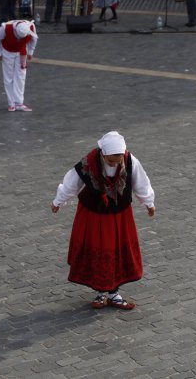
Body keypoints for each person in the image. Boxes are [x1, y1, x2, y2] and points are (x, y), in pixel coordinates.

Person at [51, 131, 155, 310]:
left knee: (116, 252)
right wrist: (58, 201)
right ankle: (100, 292)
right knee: (98, 250)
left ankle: (114, 293)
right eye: (110, 161)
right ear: (103, 154)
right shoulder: (88, 164)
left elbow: (141, 182)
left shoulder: (130, 161)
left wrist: (148, 202)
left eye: (117, 160)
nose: (114, 164)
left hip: (119, 215)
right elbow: (71, 184)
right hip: (94, 215)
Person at [0, 20, 38, 112]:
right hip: (7, 52)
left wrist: (31, 51)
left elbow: (34, 39)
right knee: (8, 78)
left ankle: (19, 103)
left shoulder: (31, 26)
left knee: (21, 76)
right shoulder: (5, 27)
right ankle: (11, 103)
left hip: (22, 53)